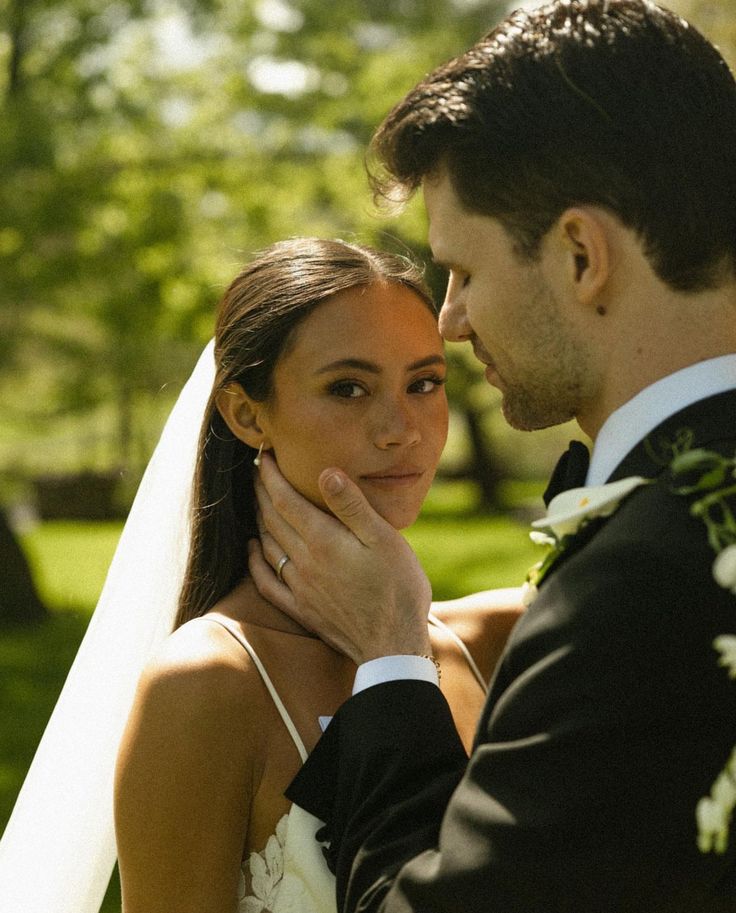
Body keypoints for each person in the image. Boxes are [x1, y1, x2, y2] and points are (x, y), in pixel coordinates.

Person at [249, 2, 736, 911]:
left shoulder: (642, 584)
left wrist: (392, 653)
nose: (451, 320)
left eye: (464, 270)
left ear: (582, 254)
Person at [0, 238, 522, 913]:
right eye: (347, 388)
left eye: (424, 382)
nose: (402, 429)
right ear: (247, 413)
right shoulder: (208, 684)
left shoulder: (496, 642)